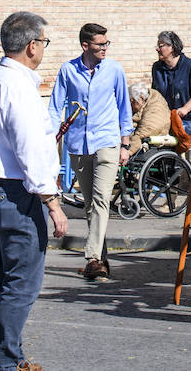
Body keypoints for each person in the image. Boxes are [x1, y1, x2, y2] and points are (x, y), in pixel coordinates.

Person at [0, 12, 67, 371]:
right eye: (44, 42)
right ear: (32, 46)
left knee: (5, 279)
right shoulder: (18, 86)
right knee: (21, 282)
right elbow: (30, 149)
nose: (43, 48)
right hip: (15, 192)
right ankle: (4, 362)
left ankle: (10, 355)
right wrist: (52, 202)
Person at [48, 22, 133, 280]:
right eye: (100, 44)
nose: (105, 48)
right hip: (78, 143)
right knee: (90, 205)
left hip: (107, 141)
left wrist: (125, 143)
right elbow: (55, 106)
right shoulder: (68, 70)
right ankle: (101, 261)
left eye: (107, 43)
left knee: (101, 199)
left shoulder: (114, 70)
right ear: (86, 46)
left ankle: (92, 256)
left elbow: (123, 107)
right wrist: (49, 139)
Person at [150, 31, 191, 137]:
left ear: (172, 47)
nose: (157, 49)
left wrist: (185, 109)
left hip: (189, 123)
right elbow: (155, 94)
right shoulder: (157, 68)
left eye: (160, 46)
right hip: (165, 124)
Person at [127, 81, 171, 156]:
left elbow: (144, 132)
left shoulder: (156, 107)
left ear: (141, 98)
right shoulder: (144, 103)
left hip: (152, 142)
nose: (130, 106)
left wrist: (128, 152)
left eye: (132, 102)